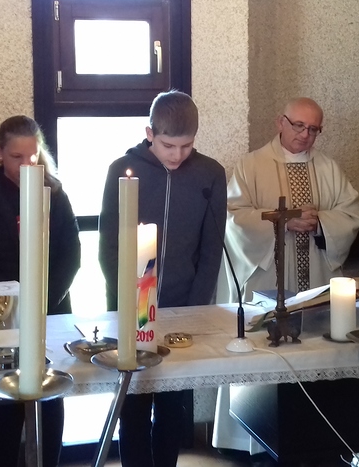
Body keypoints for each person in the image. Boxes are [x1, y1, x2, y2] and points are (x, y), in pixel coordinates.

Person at [99, 90, 226, 467]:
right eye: (169, 145)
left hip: (183, 305)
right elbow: (109, 247)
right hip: (132, 308)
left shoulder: (210, 174)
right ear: (149, 133)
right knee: (134, 405)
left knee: (173, 408)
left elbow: (211, 250)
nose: (177, 155)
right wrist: (127, 301)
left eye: (187, 146)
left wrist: (195, 309)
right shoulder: (122, 169)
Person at [0, 115, 80, 467]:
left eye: (32, 156)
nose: (26, 164)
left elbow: (70, 253)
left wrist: (43, 300)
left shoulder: (54, 194)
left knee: (50, 395)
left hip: (50, 306)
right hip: (4, 314)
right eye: (16, 157)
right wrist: (16, 305)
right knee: (8, 400)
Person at [224, 97, 359, 297]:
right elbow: (233, 216)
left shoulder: (329, 168)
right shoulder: (251, 165)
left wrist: (320, 223)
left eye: (313, 129)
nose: (305, 134)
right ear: (281, 122)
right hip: (268, 276)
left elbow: (350, 215)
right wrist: (283, 221)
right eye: (299, 125)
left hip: (317, 275)